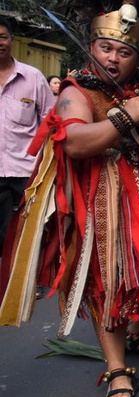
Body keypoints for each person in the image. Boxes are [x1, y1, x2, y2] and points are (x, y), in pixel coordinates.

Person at [0, 3, 139, 397]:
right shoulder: (78, 90)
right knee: (109, 281)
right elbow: (74, 144)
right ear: (92, 45)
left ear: (138, 58)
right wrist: (124, 119)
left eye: (123, 52)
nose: (112, 58)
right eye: (105, 47)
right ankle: (115, 367)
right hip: (105, 203)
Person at [0, 17, 55, 252]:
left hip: (26, 171)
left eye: (2, 37)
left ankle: (26, 283)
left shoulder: (33, 78)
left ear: (12, 40)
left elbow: (50, 122)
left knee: (31, 232)